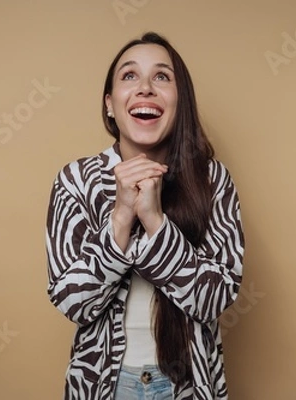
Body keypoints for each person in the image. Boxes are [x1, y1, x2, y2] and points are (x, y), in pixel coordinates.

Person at [45, 32, 245, 400]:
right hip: (104, 385)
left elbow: (216, 297)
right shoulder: (74, 181)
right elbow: (74, 302)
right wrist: (121, 217)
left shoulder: (213, 180)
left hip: (189, 384)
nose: (146, 89)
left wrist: (155, 222)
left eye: (162, 77)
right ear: (109, 104)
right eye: (130, 76)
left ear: (179, 102)